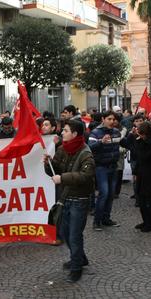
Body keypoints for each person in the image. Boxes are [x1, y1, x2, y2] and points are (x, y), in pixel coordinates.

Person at [44, 120, 95, 283]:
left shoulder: (86, 153)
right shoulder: (62, 149)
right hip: (65, 197)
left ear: (74, 134)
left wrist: (62, 178)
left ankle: (76, 268)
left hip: (79, 199)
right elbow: (56, 169)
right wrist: (49, 163)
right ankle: (81, 258)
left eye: (65, 130)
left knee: (74, 235)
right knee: (65, 232)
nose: (62, 133)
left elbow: (86, 176)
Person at [88, 110, 122, 230]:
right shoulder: (95, 133)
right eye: (109, 119)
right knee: (104, 193)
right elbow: (90, 148)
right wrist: (101, 142)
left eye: (113, 119)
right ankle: (96, 221)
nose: (112, 121)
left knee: (111, 194)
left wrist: (134, 135)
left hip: (113, 166)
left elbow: (124, 144)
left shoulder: (117, 132)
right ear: (103, 119)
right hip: (101, 167)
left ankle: (106, 219)